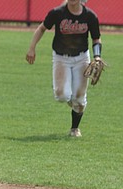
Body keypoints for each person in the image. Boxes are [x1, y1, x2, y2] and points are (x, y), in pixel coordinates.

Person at [26, 0, 102, 137]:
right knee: (62, 95)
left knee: (79, 98)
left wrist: (97, 57)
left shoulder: (90, 16)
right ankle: (73, 100)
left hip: (81, 58)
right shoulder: (58, 13)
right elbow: (42, 28)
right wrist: (32, 48)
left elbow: (96, 39)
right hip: (61, 57)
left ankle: (74, 129)